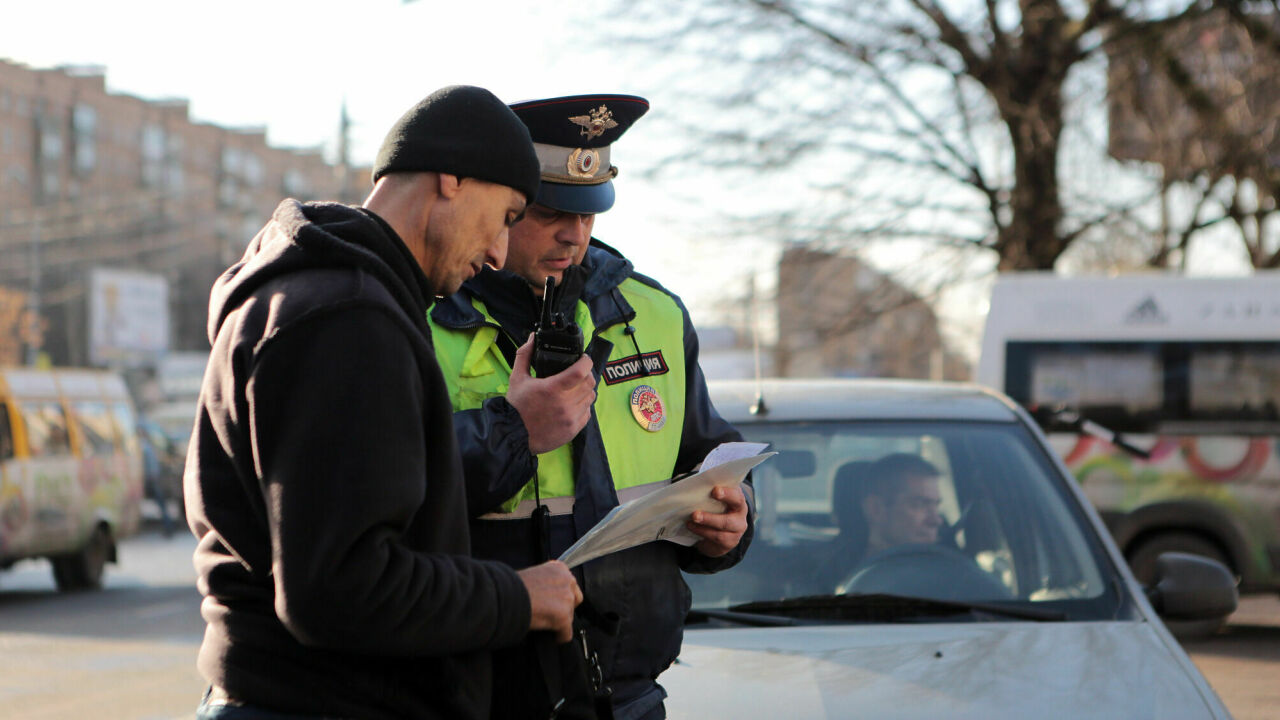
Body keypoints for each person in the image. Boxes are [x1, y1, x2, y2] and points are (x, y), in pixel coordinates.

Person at [184, 86, 583, 720]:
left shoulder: (313, 296)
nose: (499, 254)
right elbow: (342, 589)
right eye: (506, 216)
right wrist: (518, 597)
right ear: (452, 176)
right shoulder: (348, 318)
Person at [429, 94, 753, 720]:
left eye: (590, 212)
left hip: (625, 694)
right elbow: (388, 488)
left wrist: (732, 525)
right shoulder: (424, 314)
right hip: (474, 692)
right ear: (503, 201)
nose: (573, 234)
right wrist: (515, 432)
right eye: (550, 211)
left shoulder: (654, 313)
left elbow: (710, 456)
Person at [859, 453, 944, 557]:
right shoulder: (840, 570)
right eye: (918, 505)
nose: (936, 521)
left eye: (936, 505)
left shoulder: (951, 567)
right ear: (875, 509)